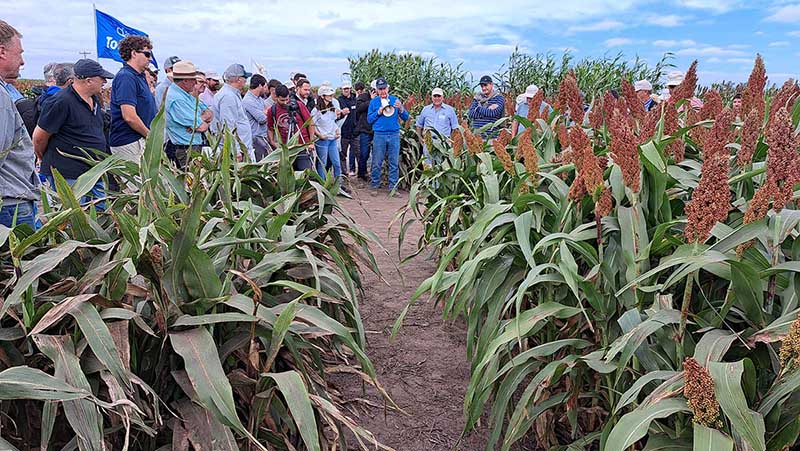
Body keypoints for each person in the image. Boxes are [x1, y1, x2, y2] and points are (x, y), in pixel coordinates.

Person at [32, 59, 113, 206]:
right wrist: (41, 157)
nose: (105, 81)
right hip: (69, 174)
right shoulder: (60, 102)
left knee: (103, 213)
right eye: (101, 78)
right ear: (88, 81)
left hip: (94, 171)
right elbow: (39, 137)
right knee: (74, 218)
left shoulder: (93, 100)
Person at [0, 20, 40, 229]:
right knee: (24, 261)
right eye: (19, 53)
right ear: (2, 52)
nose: (23, 61)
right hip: (10, 203)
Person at [109, 35, 157, 164]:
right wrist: (150, 137)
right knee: (137, 184)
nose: (150, 59)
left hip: (139, 140)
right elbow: (129, 116)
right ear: (134, 53)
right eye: (147, 54)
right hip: (130, 142)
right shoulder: (126, 77)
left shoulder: (139, 76)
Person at [164, 61, 212, 169]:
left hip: (191, 148)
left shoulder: (184, 95)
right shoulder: (177, 99)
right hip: (185, 151)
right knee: (190, 182)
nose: (195, 83)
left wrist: (198, 120)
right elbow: (202, 127)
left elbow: (209, 113)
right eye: (193, 80)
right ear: (185, 81)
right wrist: (201, 123)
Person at [367, 77, 409, 193]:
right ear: (377, 90)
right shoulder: (374, 102)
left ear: (388, 88)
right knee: (376, 162)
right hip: (379, 135)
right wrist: (378, 112)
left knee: (394, 162)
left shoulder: (395, 100)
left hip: (394, 134)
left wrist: (401, 108)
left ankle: (393, 188)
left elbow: (406, 117)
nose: (383, 91)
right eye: (380, 89)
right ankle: (375, 185)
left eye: (384, 88)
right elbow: (369, 120)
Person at [266, 84, 315, 170]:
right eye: (282, 100)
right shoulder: (272, 110)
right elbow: (270, 128)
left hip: (302, 146)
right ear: (276, 97)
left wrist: (311, 142)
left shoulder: (298, 105)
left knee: (305, 175)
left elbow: (310, 122)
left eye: (287, 99)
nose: (285, 103)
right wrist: (273, 142)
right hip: (285, 149)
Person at [212, 63, 255, 161]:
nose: (245, 81)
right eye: (245, 78)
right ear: (238, 79)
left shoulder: (232, 94)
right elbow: (228, 125)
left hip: (239, 149)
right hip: (236, 152)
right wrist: (235, 150)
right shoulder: (228, 97)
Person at [313, 85, 350, 195]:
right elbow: (312, 124)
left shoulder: (332, 109)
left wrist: (337, 131)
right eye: (329, 95)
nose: (331, 96)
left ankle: (338, 186)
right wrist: (319, 135)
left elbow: (332, 123)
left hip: (332, 140)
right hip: (322, 141)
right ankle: (322, 186)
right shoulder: (316, 111)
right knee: (322, 163)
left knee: (336, 163)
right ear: (322, 96)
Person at [415, 87, 460, 163]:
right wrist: (420, 139)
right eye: (435, 96)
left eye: (439, 96)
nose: (437, 98)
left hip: (443, 143)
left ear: (443, 98)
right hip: (429, 142)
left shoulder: (450, 110)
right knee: (428, 165)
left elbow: (455, 129)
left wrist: (451, 143)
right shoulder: (425, 110)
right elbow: (419, 126)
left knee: (442, 165)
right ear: (431, 98)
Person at [242, 74, 270, 160]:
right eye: (265, 86)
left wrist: (265, 112)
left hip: (262, 137)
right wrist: (265, 112)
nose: (266, 90)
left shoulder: (259, 99)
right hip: (255, 138)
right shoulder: (248, 101)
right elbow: (263, 119)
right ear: (260, 86)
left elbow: (267, 111)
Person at [354, 81, 374, 182]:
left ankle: (373, 174)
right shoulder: (363, 97)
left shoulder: (383, 98)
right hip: (365, 130)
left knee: (376, 154)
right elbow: (359, 108)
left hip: (376, 131)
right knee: (364, 153)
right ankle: (361, 173)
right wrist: (371, 100)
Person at [337, 81, 358, 175]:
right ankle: (344, 173)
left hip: (354, 131)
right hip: (343, 132)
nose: (346, 90)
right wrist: (342, 113)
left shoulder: (355, 99)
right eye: (344, 89)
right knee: (342, 154)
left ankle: (359, 172)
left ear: (350, 89)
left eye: (347, 88)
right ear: (341, 90)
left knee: (358, 152)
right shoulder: (338, 101)